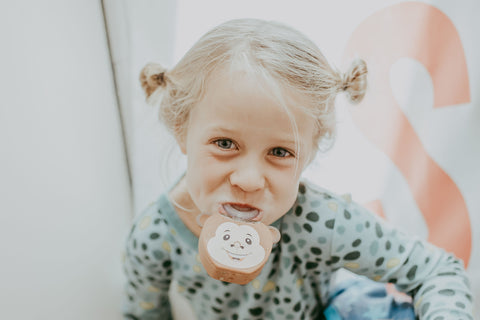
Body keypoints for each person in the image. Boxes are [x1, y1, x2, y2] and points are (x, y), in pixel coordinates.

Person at [123, 18, 474, 320]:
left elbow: (438, 270)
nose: (248, 180)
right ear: (182, 131)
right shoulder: (155, 238)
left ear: (309, 152)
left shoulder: (321, 221)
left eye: (279, 151)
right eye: (225, 144)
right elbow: (143, 314)